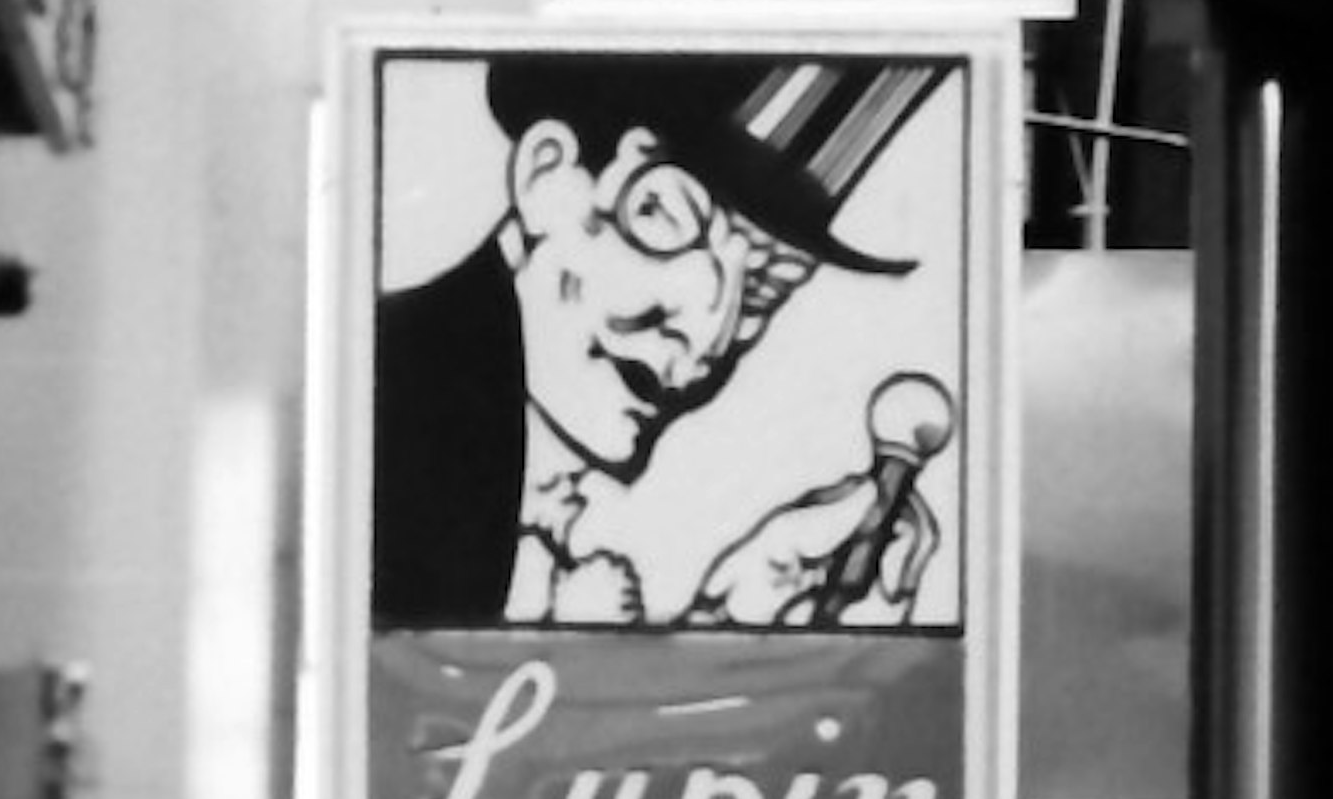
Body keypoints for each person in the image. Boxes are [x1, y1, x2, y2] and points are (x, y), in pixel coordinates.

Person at [369, 51, 955, 630]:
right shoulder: (384, 407)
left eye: (763, 290)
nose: (707, 336)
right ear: (546, 176)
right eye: (663, 217)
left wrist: (726, 626)